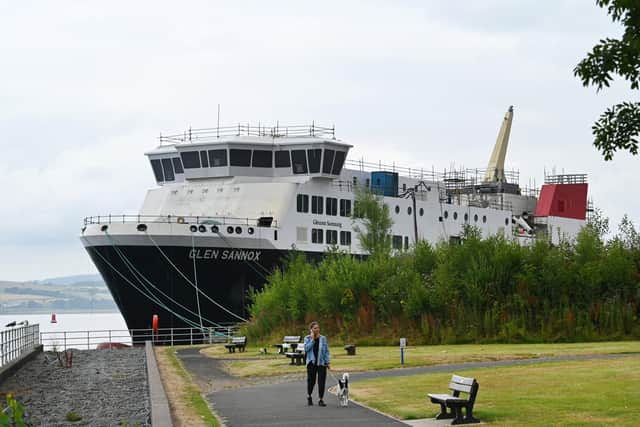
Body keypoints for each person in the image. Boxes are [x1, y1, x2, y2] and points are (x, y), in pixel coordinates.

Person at [304, 321, 331, 406]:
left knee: (321, 381)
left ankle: (321, 399)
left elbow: (326, 351)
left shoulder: (323, 338)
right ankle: (309, 396)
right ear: (311, 329)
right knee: (311, 381)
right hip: (311, 363)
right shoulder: (307, 338)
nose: (317, 329)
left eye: (318, 328)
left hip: (321, 363)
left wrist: (327, 362)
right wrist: (312, 340)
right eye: (315, 328)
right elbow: (306, 349)